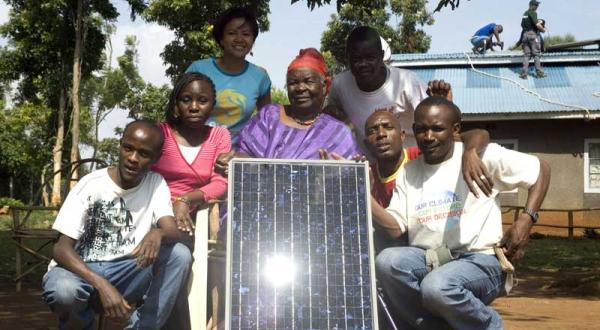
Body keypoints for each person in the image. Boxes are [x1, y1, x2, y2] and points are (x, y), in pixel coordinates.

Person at [372, 96, 551, 329]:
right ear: (414, 130)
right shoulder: (409, 171)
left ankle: (488, 326)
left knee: (437, 287)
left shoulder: (481, 157)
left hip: (480, 260)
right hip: (430, 259)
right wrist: (363, 194)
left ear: (455, 130)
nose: (428, 137)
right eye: (422, 129)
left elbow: (541, 170)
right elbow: (396, 227)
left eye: (437, 129)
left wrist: (527, 219)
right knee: (387, 261)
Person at [42, 120, 192, 329]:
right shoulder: (91, 184)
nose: (133, 158)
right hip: (81, 272)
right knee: (64, 291)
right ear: (120, 145)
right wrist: (101, 284)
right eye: (128, 148)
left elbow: (171, 231)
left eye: (144, 153)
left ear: (156, 158)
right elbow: (60, 248)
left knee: (179, 254)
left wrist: (157, 233)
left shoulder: (155, 183)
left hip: (128, 271)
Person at [150, 72, 231, 329]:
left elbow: (221, 182)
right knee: (176, 258)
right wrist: (171, 204)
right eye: (186, 99)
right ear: (176, 103)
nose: (194, 106)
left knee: (182, 258)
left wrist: (185, 199)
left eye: (202, 100)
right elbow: (144, 174)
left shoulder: (219, 137)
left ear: (212, 105)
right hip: (153, 212)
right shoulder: (159, 133)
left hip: (194, 216)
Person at [216, 47, 360, 171]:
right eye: (293, 82)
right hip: (263, 200)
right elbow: (247, 155)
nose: (300, 88)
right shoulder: (269, 116)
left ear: (324, 87)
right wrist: (233, 160)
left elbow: (348, 181)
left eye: (308, 81)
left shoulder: (338, 133)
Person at [326, 26, 433, 151]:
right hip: (367, 166)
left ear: (381, 56)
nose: (363, 64)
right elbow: (332, 122)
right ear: (347, 58)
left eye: (370, 58)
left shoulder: (408, 82)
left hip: (409, 163)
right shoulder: (340, 85)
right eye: (356, 59)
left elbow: (432, 121)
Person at [186, 7, 271, 144]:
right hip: (196, 149)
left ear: (253, 39)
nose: (239, 39)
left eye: (246, 34)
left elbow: (267, 122)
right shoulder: (198, 69)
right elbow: (177, 110)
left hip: (236, 156)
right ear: (221, 39)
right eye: (232, 33)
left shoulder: (260, 77)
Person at [520, 0, 546, 79]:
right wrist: (543, 30)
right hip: (532, 35)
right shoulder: (533, 13)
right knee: (536, 55)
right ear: (531, 5)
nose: (537, 7)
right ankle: (539, 73)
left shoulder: (525, 13)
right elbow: (537, 24)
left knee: (526, 55)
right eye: (536, 5)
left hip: (525, 35)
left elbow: (522, 25)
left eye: (537, 5)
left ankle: (524, 74)